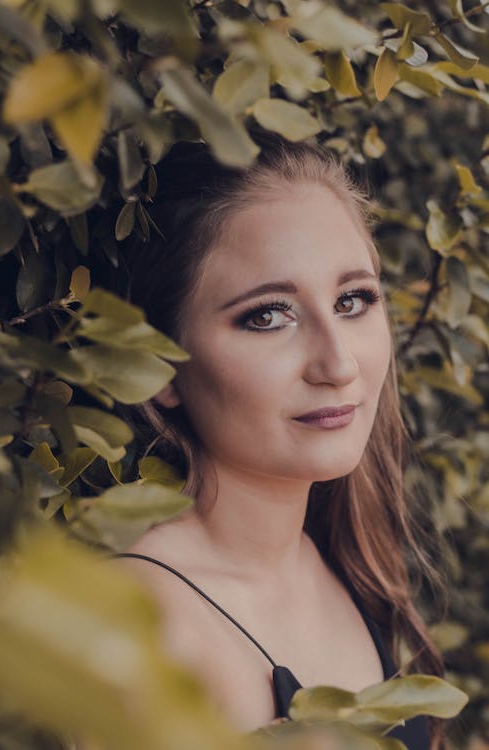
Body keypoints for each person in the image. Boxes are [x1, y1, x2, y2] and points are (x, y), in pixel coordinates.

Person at [112, 129, 444, 749]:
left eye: (353, 299)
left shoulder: (352, 566)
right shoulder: (147, 625)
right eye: (267, 316)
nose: (338, 364)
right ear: (157, 365)